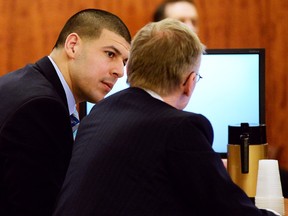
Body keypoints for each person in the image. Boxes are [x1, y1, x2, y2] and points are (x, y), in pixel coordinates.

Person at [52, 18, 278, 215]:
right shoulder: (180, 128)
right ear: (189, 83)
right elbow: (228, 210)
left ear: (130, 70)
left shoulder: (100, 111)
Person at [0, 8, 131, 216]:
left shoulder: (28, 82)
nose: (120, 71)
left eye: (124, 61)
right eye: (110, 54)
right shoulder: (42, 108)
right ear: (73, 46)